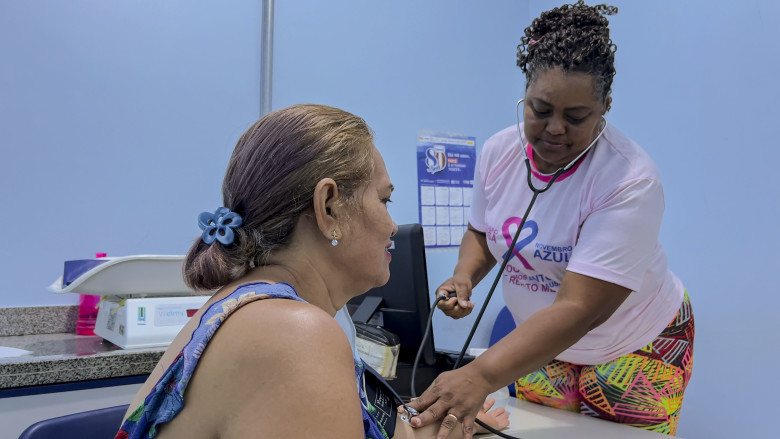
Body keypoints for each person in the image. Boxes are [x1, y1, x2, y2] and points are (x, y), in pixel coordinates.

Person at [114, 104, 508, 439]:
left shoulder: (249, 304)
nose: (392, 226)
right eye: (384, 200)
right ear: (329, 207)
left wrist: (444, 427)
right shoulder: (294, 333)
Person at [405, 2, 695, 438]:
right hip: (541, 344)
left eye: (576, 117)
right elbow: (482, 231)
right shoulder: (498, 153)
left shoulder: (630, 180)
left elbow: (580, 308)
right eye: (540, 110)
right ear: (524, 95)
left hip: (635, 345)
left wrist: (479, 375)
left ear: (605, 107)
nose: (555, 128)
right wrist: (465, 276)